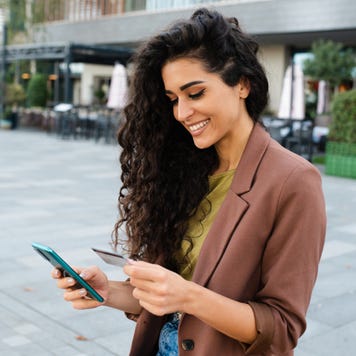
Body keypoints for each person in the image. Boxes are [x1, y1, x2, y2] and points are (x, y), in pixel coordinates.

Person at [52, 7, 326, 355]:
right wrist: (108, 291)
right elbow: (166, 300)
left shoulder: (294, 181)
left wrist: (188, 295)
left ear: (242, 84)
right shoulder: (186, 169)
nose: (181, 113)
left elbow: (282, 329)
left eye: (194, 93)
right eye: (173, 100)